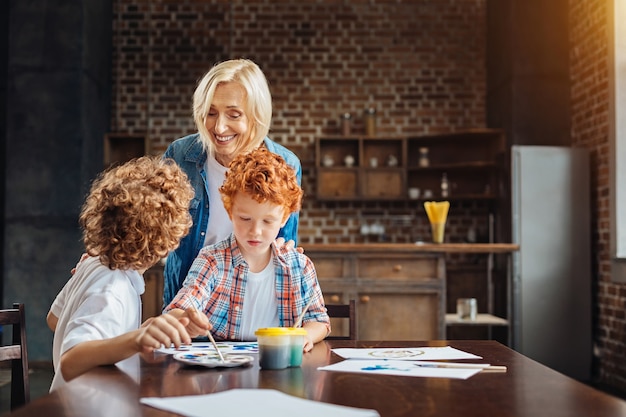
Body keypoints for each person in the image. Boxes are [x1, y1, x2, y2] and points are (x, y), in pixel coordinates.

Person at [46, 157, 208, 391]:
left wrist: (143, 332)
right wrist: (136, 340)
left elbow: (55, 320)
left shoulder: (95, 264)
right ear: (165, 240)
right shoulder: (113, 286)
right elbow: (70, 361)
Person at [162, 58, 302, 308]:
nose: (219, 126)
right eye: (211, 113)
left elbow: (283, 243)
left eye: (234, 114)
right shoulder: (181, 155)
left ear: (257, 116)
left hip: (251, 306)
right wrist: (110, 256)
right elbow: (148, 225)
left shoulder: (286, 164)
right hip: (186, 305)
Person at [164, 148, 329, 352]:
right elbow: (176, 311)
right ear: (230, 211)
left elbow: (319, 321)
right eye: (245, 219)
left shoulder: (299, 267)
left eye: (268, 221)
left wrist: (305, 335)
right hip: (222, 374)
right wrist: (186, 320)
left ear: (284, 218)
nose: (255, 231)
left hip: (278, 369)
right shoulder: (211, 261)